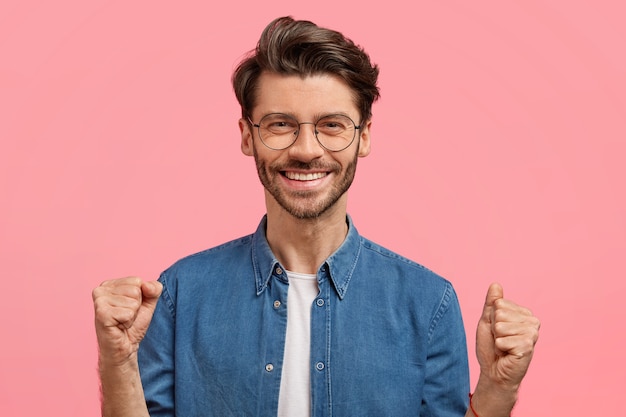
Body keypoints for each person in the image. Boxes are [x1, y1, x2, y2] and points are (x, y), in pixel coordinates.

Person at [93, 16, 540, 417]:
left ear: (364, 137)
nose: (307, 150)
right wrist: (117, 362)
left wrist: (498, 390)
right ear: (247, 136)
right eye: (280, 124)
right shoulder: (179, 293)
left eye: (332, 125)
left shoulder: (429, 304)